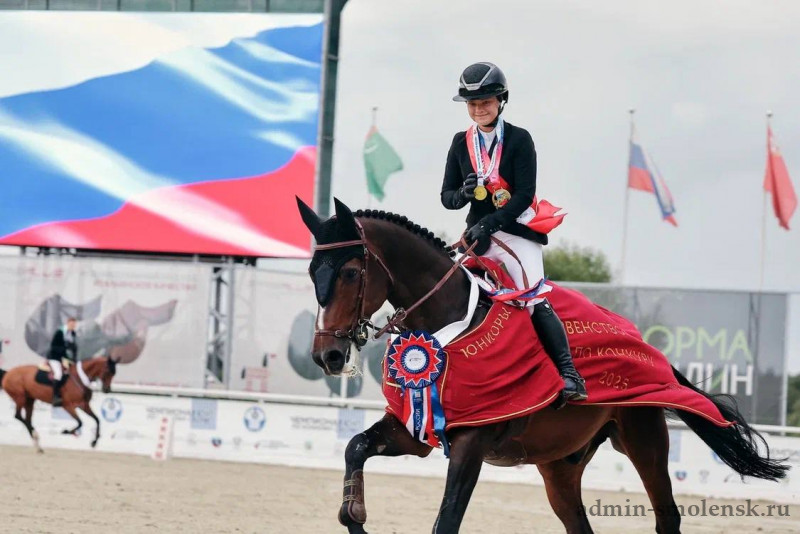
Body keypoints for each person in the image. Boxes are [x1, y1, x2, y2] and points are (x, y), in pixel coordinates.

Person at [441, 62, 587, 404]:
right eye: (473, 104)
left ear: (501, 101)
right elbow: (447, 197)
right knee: (446, 287)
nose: (479, 109)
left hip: (516, 231)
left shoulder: (520, 139)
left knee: (532, 296)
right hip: (477, 235)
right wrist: (463, 194)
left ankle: (570, 374)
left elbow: (523, 194)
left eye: (486, 102)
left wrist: (489, 224)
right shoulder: (460, 143)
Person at [48, 317, 78, 407]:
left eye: (74, 325)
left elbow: (74, 347)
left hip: (65, 358)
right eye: (71, 324)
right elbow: (53, 346)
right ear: (67, 323)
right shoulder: (60, 332)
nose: (73, 326)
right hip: (55, 357)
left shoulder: (73, 334)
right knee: (58, 374)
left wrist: (74, 358)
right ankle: (55, 396)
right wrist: (65, 347)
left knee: (70, 373)